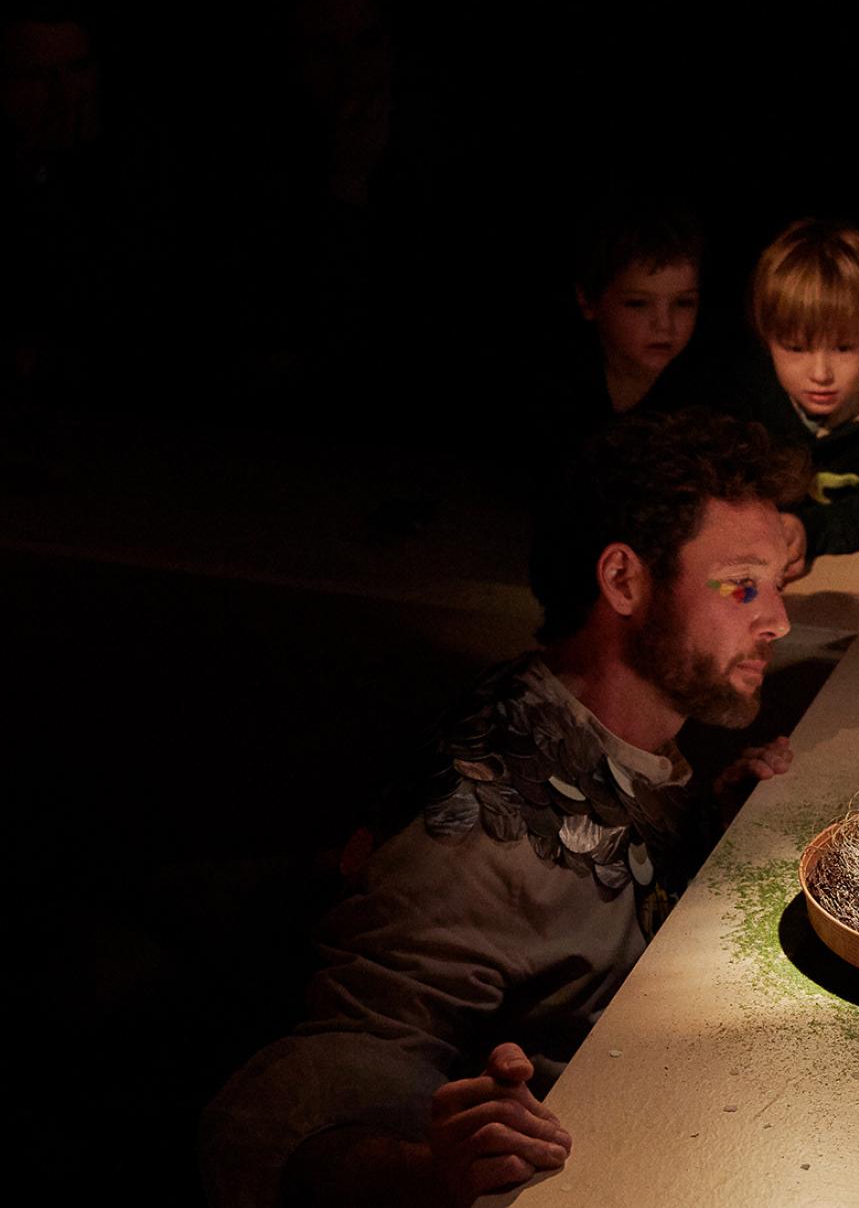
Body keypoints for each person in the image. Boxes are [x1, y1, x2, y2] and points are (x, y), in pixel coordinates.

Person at [200, 410, 806, 1208]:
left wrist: (715, 827)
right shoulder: (482, 834)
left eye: (777, 587)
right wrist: (426, 1172)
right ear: (623, 581)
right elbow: (273, 1115)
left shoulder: (574, 709)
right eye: (742, 586)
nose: (779, 620)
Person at [725, 218, 859, 565]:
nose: (821, 374)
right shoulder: (744, 397)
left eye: (843, 349)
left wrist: (808, 530)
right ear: (767, 339)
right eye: (796, 348)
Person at [532, 189, 714, 454]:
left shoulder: (707, 394)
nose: (665, 325)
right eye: (637, 304)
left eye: (683, 303)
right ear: (587, 302)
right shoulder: (553, 392)